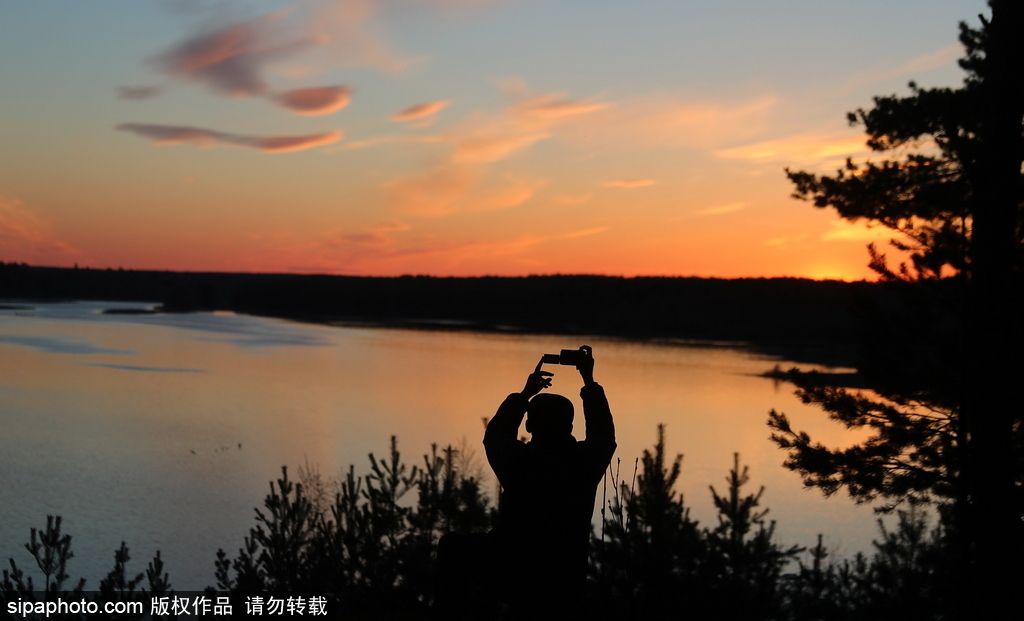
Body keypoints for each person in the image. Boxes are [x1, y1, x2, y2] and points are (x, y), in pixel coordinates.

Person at [482, 344, 616, 615]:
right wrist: (588, 380)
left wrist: (524, 395)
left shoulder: (517, 461)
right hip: (566, 581)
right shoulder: (584, 462)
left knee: (453, 546)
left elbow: (495, 435)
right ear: (570, 427)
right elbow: (603, 434)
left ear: (529, 425)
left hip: (516, 577)